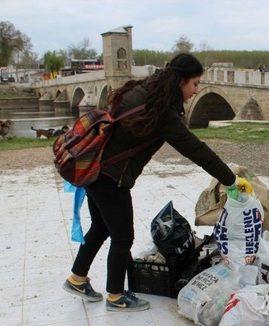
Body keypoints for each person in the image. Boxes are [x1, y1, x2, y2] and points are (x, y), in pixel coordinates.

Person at [62, 53, 248, 312]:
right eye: (195, 84)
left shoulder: (143, 90)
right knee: (123, 237)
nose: (196, 91)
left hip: (96, 170)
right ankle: (116, 296)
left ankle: (77, 278)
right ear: (181, 81)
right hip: (110, 178)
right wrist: (230, 179)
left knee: (103, 227)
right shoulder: (162, 111)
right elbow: (195, 148)